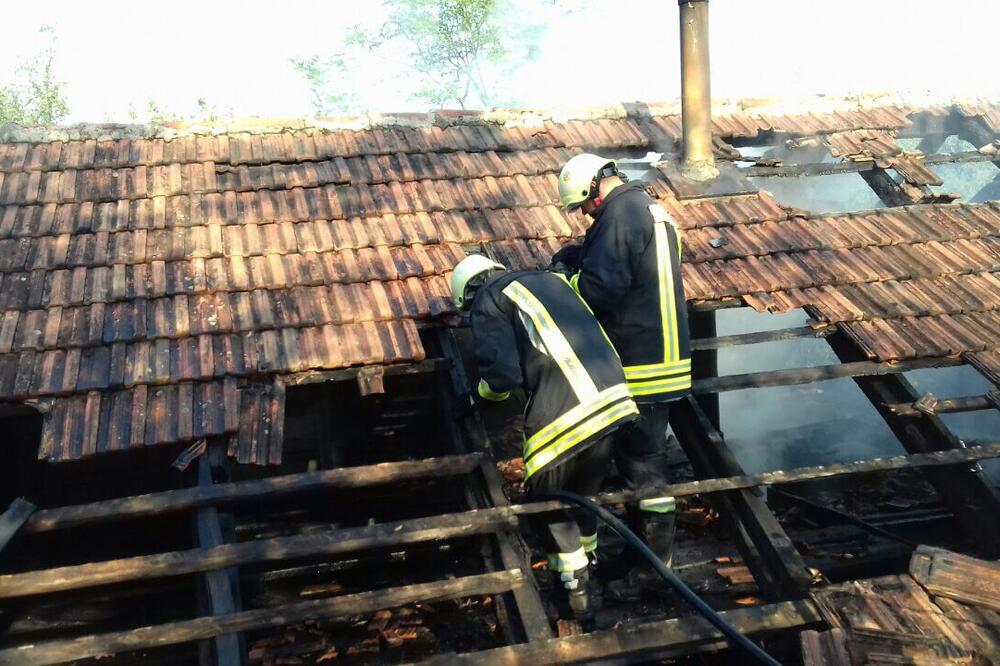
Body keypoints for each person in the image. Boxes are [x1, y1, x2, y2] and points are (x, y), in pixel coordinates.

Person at [450, 253, 639, 619]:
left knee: (547, 505)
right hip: (613, 400)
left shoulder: (489, 298)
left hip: (564, 416)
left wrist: (478, 396)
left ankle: (574, 598)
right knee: (582, 497)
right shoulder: (549, 281)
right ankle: (590, 569)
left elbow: (502, 375)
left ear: (466, 296)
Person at [552, 153, 692, 570]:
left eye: (584, 205)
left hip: (639, 365)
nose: (585, 215)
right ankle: (652, 559)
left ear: (595, 187)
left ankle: (652, 567)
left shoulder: (619, 214)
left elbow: (598, 291)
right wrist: (584, 254)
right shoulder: (653, 209)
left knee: (639, 468)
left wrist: (566, 279)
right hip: (667, 359)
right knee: (647, 464)